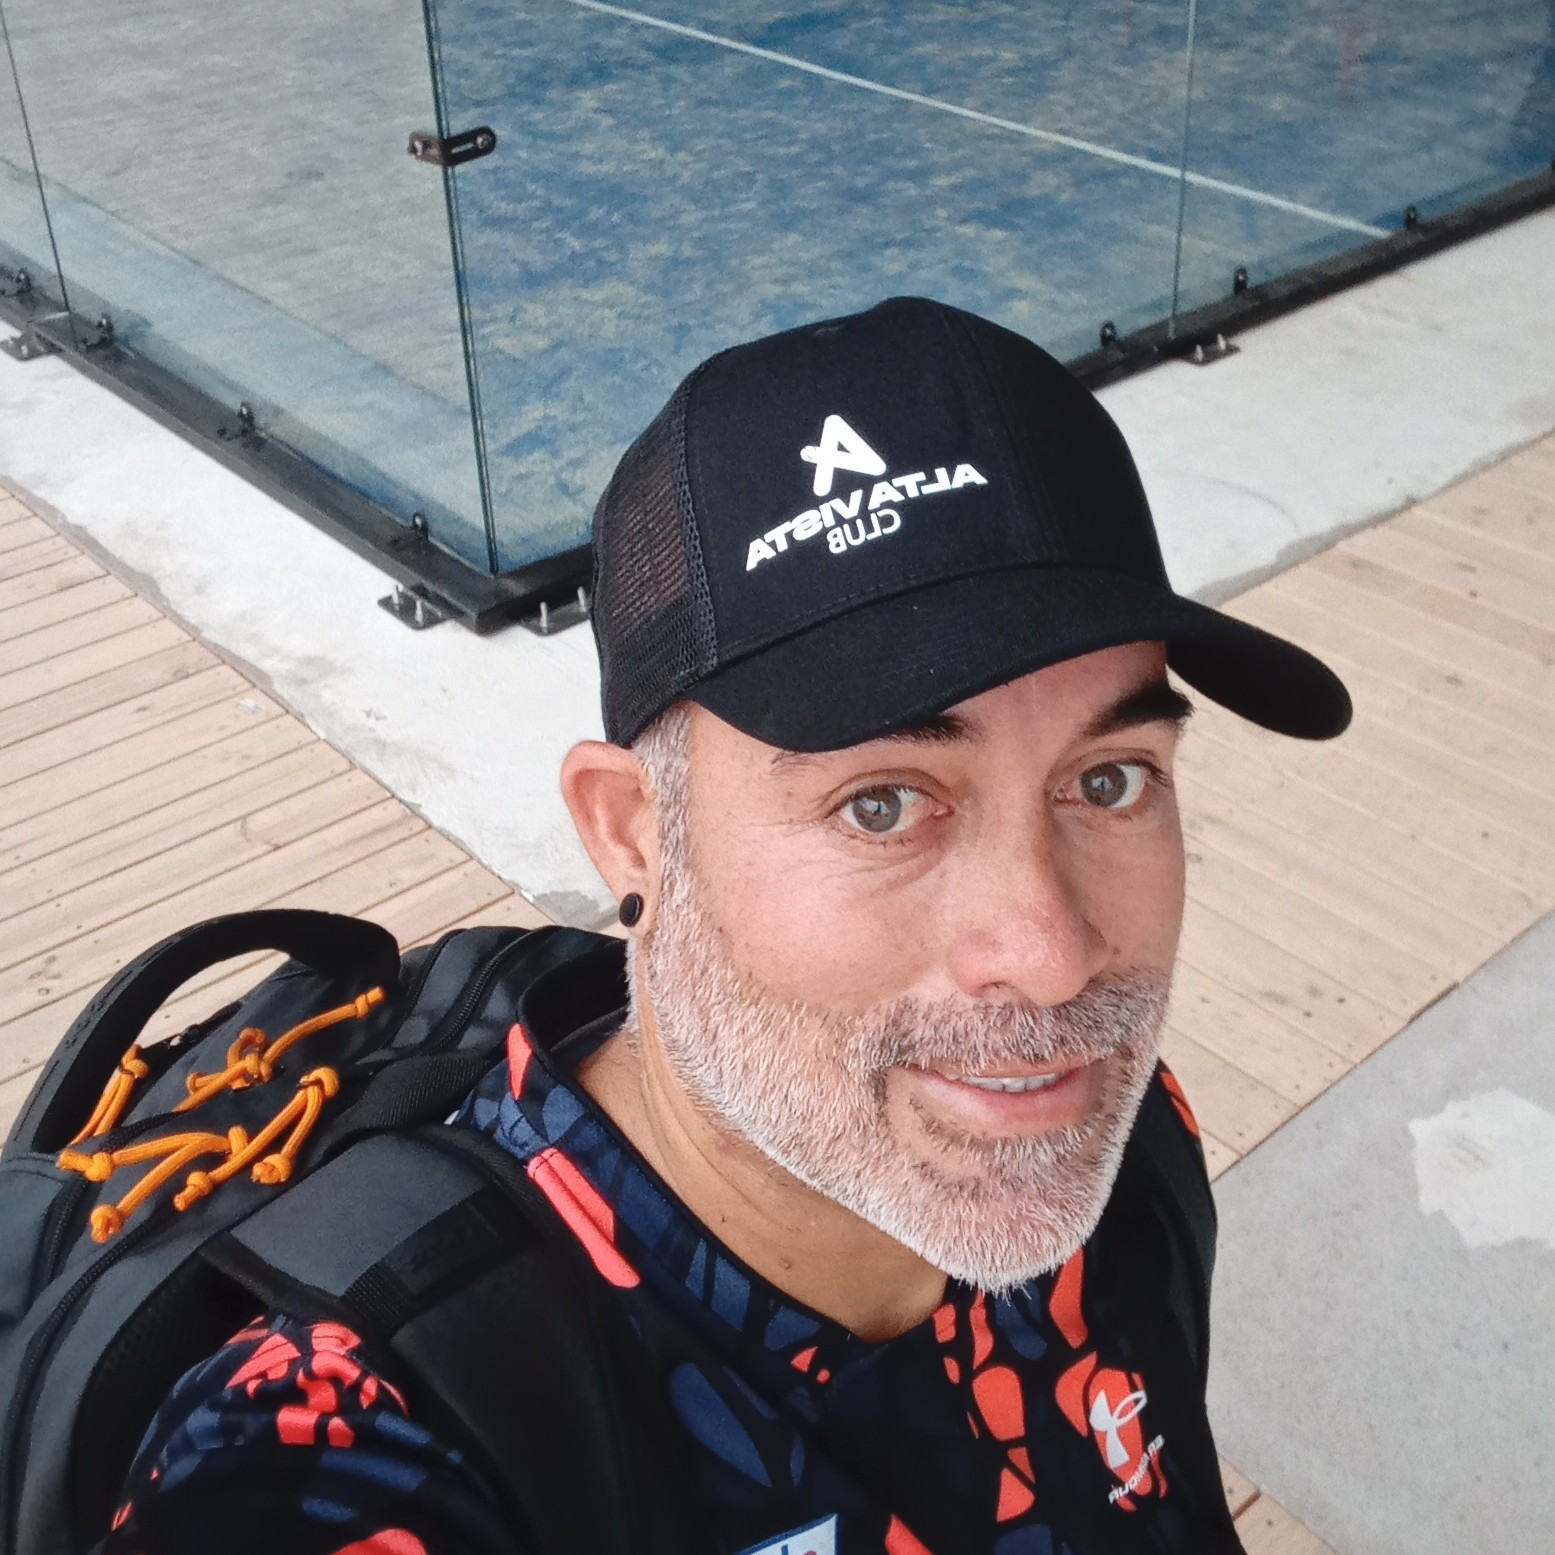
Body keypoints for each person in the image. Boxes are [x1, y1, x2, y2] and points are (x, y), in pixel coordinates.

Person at [97, 297, 1350, 1555]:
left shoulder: (1107, 1141)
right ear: (633, 833)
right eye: (881, 804)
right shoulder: (362, 1435)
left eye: (1110, 779)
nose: (1052, 955)